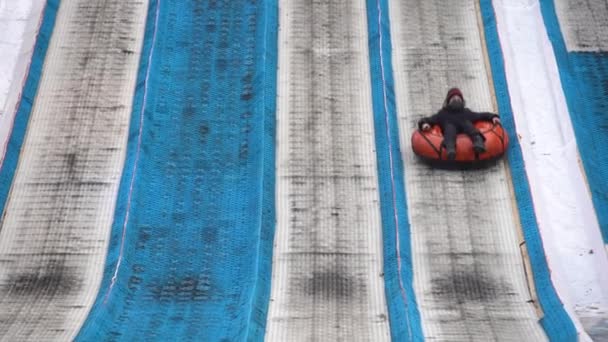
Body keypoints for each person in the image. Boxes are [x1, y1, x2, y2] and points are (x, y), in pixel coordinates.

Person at [418, 88, 501, 160]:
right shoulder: (443, 114)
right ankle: (450, 148)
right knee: (450, 129)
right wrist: (424, 124)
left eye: (458, 98)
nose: (456, 99)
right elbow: (431, 119)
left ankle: (478, 141)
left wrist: (493, 117)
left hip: (465, 129)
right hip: (450, 131)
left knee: (468, 125)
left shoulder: (466, 113)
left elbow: (481, 115)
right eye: (453, 98)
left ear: (462, 101)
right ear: (448, 101)